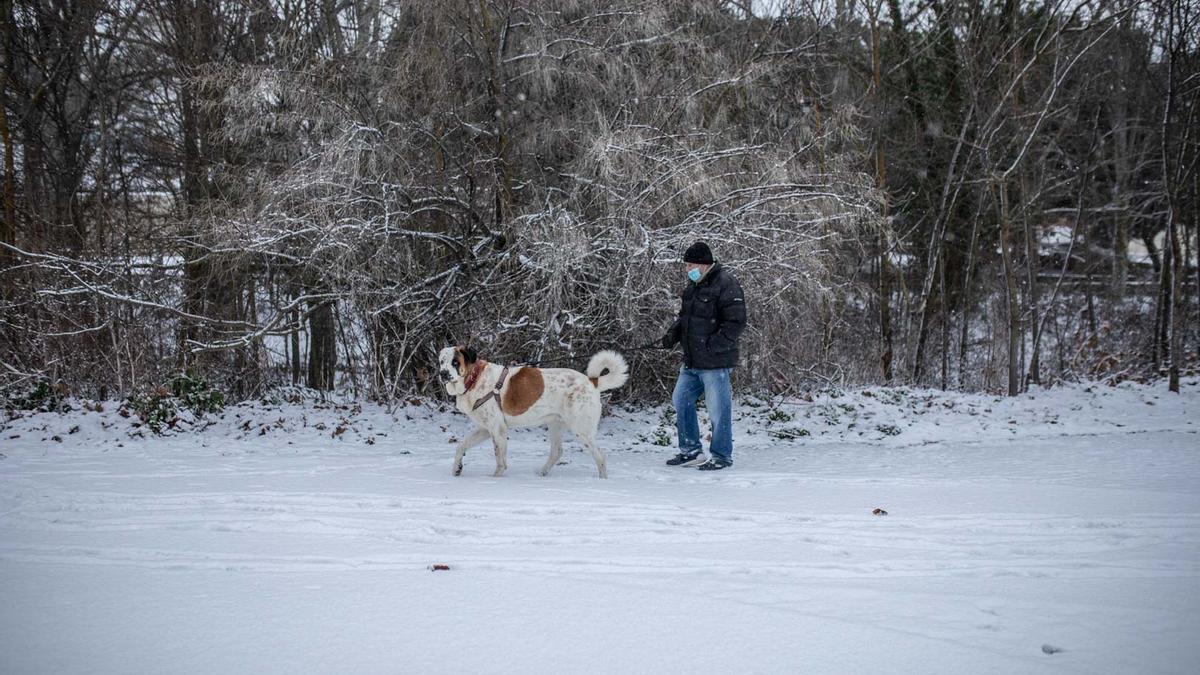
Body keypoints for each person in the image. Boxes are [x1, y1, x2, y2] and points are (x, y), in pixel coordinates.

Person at [660, 241, 747, 470]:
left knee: (718, 410)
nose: (688, 269)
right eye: (687, 266)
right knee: (681, 399)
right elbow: (685, 319)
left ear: (704, 264)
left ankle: (721, 456)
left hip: (715, 363)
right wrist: (672, 335)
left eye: (691, 265)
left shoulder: (726, 284)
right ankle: (690, 451)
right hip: (692, 361)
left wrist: (712, 346)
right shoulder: (693, 287)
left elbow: (736, 323)